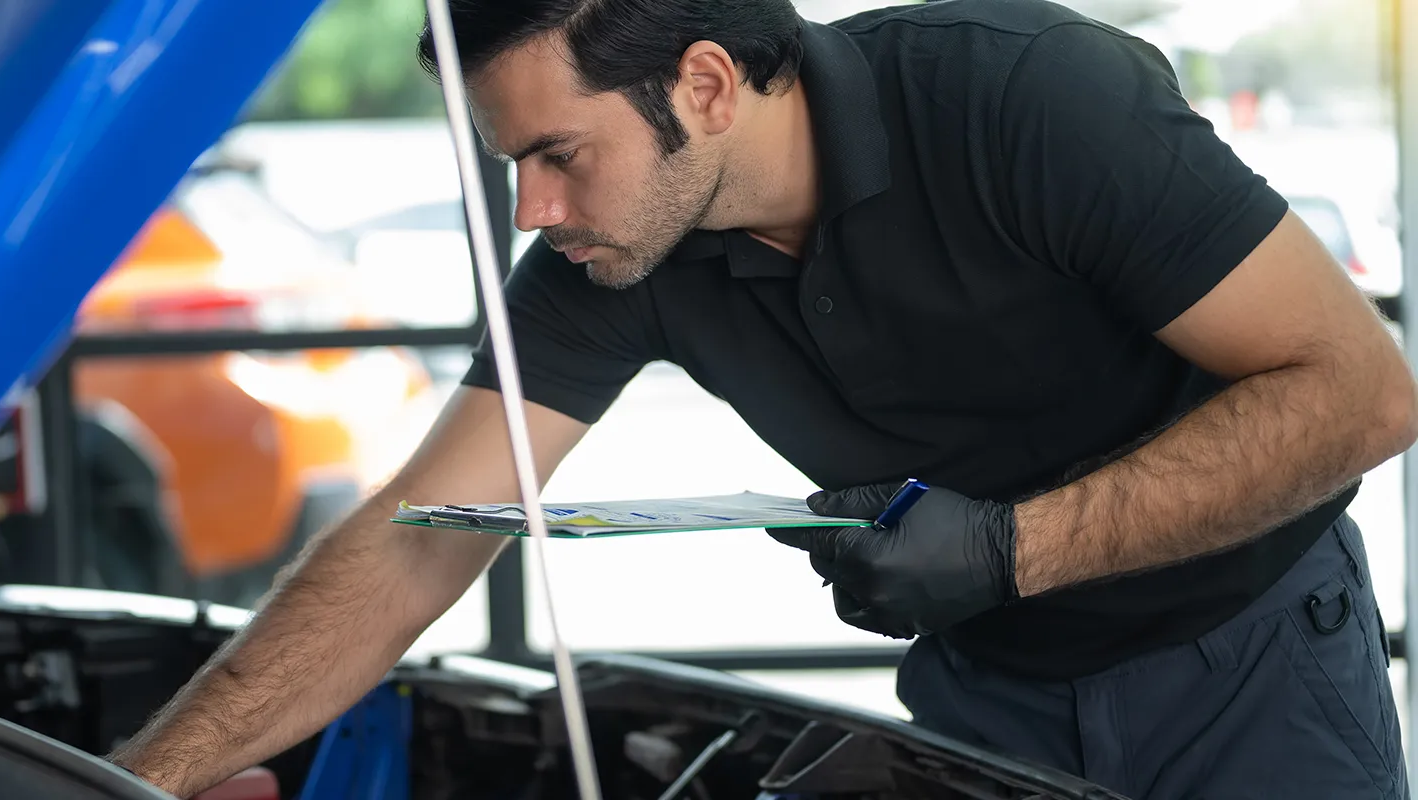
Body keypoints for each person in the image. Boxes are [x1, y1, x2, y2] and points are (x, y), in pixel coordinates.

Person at [109, 0, 1418, 796]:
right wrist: (124, 788)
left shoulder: (1025, 99)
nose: (533, 210)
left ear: (707, 86)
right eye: (513, 165)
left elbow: (1362, 394)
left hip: (1252, 668)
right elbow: (421, 534)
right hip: (986, 697)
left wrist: (1013, 550)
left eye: (557, 155)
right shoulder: (606, 256)